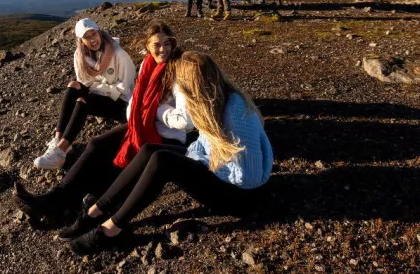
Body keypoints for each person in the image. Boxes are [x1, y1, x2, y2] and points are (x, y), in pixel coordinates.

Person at [62, 51, 273, 255]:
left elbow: (249, 177)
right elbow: (205, 144)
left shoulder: (235, 112)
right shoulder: (216, 99)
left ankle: (110, 230)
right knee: (149, 150)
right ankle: (95, 211)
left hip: (240, 196)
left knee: (162, 161)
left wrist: (206, 166)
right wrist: (198, 159)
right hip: (220, 170)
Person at [15, 21, 192, 220]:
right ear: (147, 47)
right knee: (96, 145)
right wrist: (140, 110)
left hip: (166, 135)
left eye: (167, 44)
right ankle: (52, 199)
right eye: (156, 45)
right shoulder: (147, 64)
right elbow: (135, 97)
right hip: (140, 124)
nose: (162, 49)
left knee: (114, 166)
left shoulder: (181, 71)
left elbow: (186, 121)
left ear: (174, 43)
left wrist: (154, 110)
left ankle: (73, 208)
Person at [33, 18, 136, 170]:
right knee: (73, 86)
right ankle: (58, 139)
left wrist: (98, 89)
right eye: (86, 37)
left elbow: (124, 89)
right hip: (101, 93)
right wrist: (98, 88)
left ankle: (59, 153)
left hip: (122, 103)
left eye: (93, 33)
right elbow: (83, 81)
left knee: (83, 100)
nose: (92, 39)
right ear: (81, 41)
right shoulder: (80, 56)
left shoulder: (118, 54)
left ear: (99, 32)